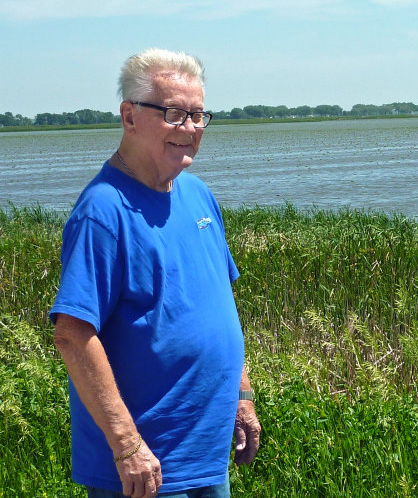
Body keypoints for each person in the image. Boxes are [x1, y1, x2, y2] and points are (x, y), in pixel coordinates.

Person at [50, 48, 261, 498]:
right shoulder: (102, 212)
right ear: (129, 116)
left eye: (198, 115)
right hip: (146, 472)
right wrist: (127, 448)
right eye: (173, 114)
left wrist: (241, 397)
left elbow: (219, 303)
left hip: (205, 458)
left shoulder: (197, 194)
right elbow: (72, 334)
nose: (189, 129)